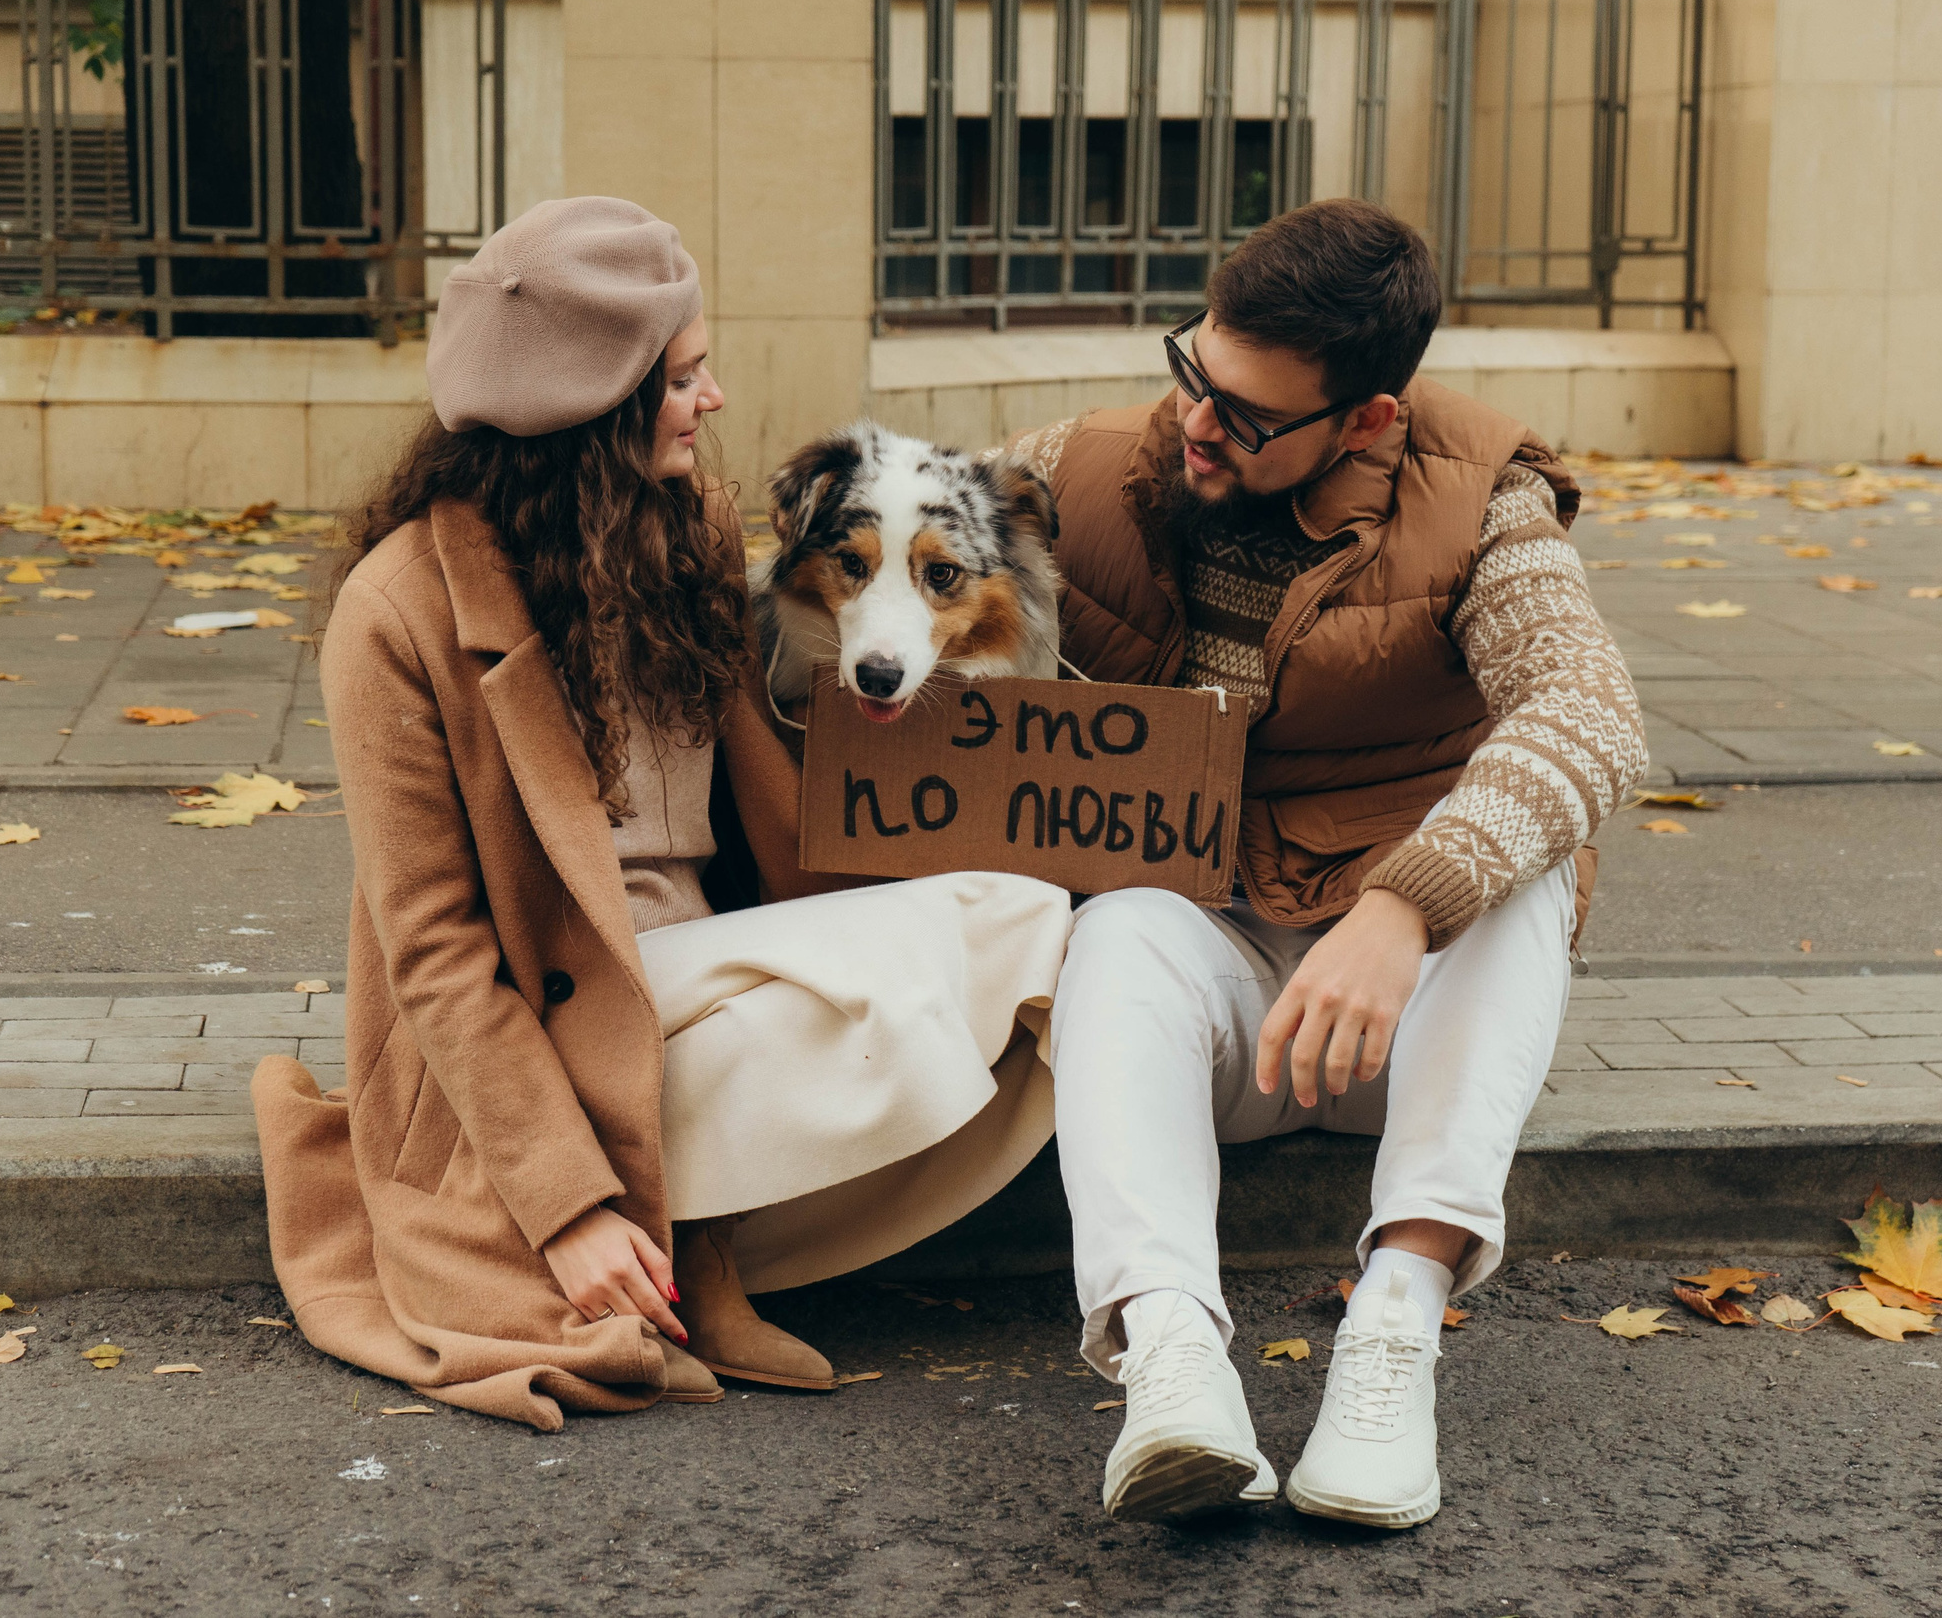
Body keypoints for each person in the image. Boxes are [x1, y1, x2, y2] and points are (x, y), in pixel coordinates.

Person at [251, 197, 1069, 1432]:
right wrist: (565, 1207)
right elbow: (434, 951)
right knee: (907, 966)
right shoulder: (395, 612)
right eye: (683, 378)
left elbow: (759, 800)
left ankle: (706, 1229)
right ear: (594, 405)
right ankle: (678, 1244)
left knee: (1022, 919)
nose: (714, 398)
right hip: (559, 1008)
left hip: (703, 962)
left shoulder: (684, 524)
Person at [1009, 198, 1648, 1526]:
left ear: (1366, 419)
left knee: (1528, 874)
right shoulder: (1078, 471)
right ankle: (1172, 1357)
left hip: (1411, 1018)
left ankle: (1393, 1330)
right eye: (1194, 370)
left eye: (1248, 417)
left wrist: (1403, 908)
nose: (1198, 422)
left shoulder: (1483, 497)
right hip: (1219, 986)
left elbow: (1590, 715)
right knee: (1118, 928)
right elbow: (878, 537)